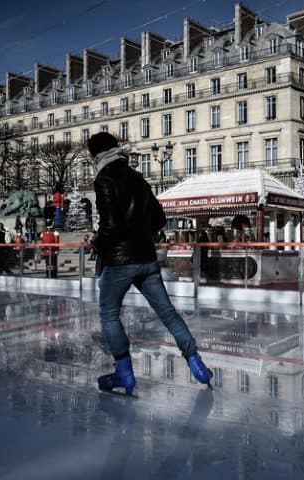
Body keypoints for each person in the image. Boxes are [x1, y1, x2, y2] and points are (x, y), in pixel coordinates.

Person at [87, 132, 213, 395]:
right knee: (167, 312)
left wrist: (97, 242)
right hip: (146, 258)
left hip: (119, 261)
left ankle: (124, 372)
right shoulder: (137, 177)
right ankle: (196, 362)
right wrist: (140, 233)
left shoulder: (105, 178)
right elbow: (159, 218)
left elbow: (111, 224)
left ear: (96, 155)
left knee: (109, 315)